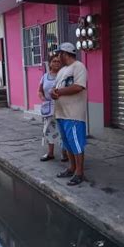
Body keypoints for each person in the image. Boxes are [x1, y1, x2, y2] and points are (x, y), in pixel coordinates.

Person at [51, 42, 88, 186]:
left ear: (65, 54)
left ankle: (79, 172)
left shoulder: (78, 67)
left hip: (73, 114)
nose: (58, 56)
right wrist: (52, 92)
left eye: (59, 54)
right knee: (67, 144)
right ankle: (72, 168)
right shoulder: (62, 70)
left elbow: (79, 86)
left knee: (76, 143)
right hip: (61, 113)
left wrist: (58, 92)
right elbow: (56, 87)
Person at [38, 54, 68, 162]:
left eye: (58, 61)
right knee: (49, 130)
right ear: (50, 63)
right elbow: (40, 90)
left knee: (63, 130)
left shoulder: (64, 76)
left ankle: (64, 153)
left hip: (61, 107)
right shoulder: (44, 77)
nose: (56, 63)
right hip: (48, 108)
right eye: (54, 61)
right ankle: (50, 153)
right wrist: (43, 98)